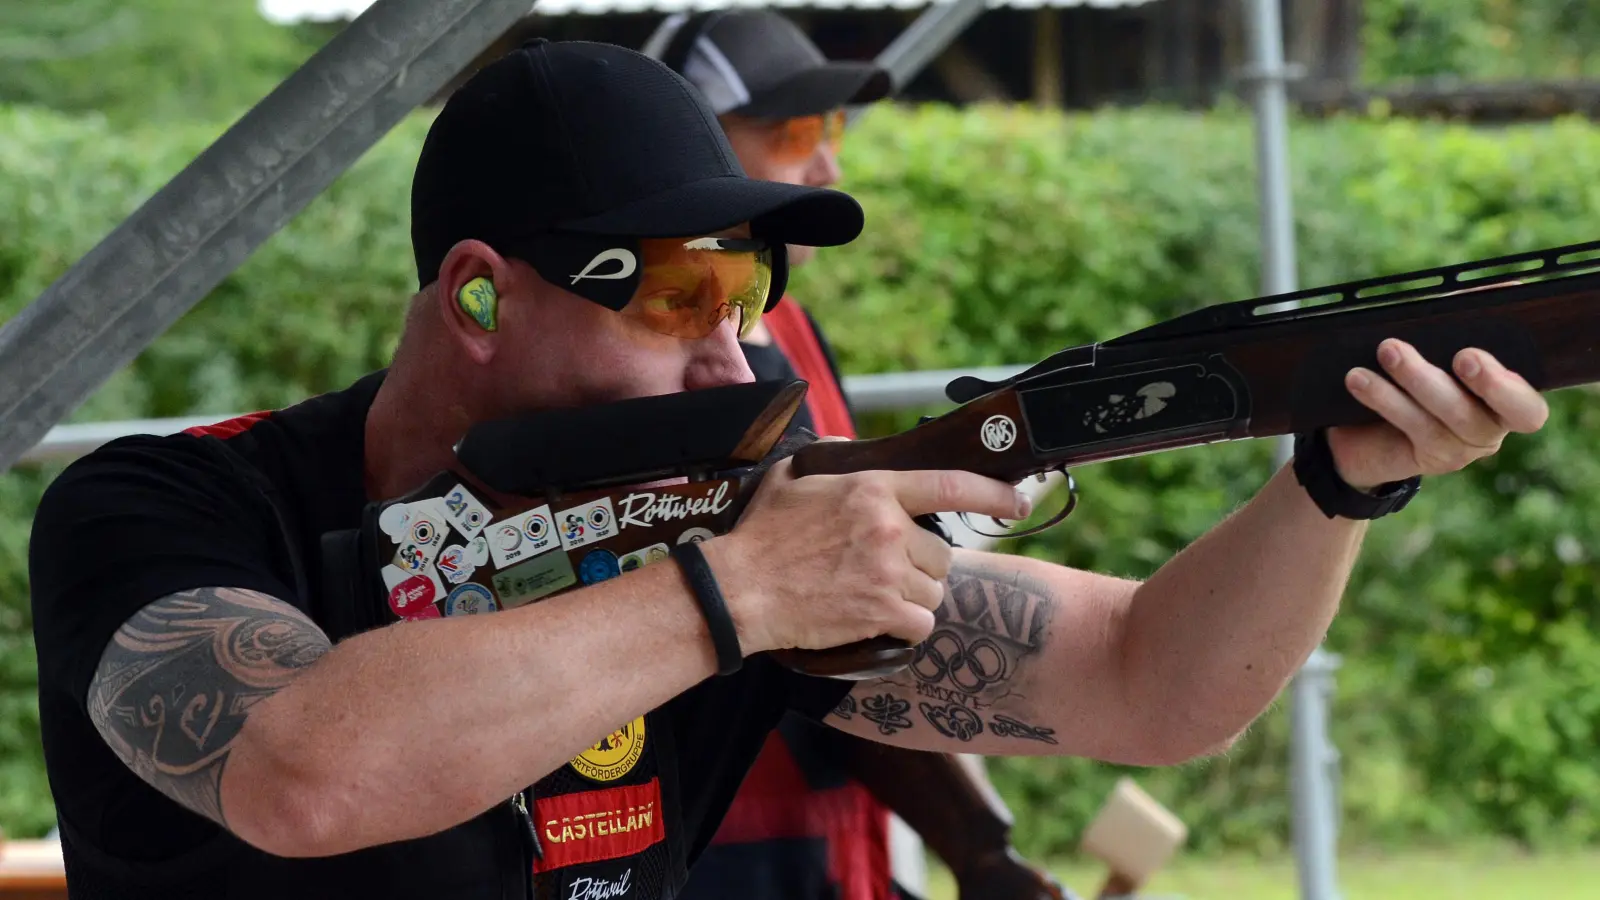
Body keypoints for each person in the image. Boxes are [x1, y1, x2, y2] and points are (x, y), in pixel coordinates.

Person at [27, 38, 1549, 900]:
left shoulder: (718, 525)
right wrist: (733, 595)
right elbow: (304, 772)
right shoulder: (162, 507)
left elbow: (1152, 683)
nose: (733, 356)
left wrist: (1334, 487)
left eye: (751, 294)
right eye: (679, 295)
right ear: (481, 299)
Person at [644, 11, 1065, 900]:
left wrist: (977, 850)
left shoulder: (794, 326)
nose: (828, 165)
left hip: (832, 834)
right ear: (694, 142)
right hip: (711, 842)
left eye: (830, 128)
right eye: (796, 133)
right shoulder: (659, 361)